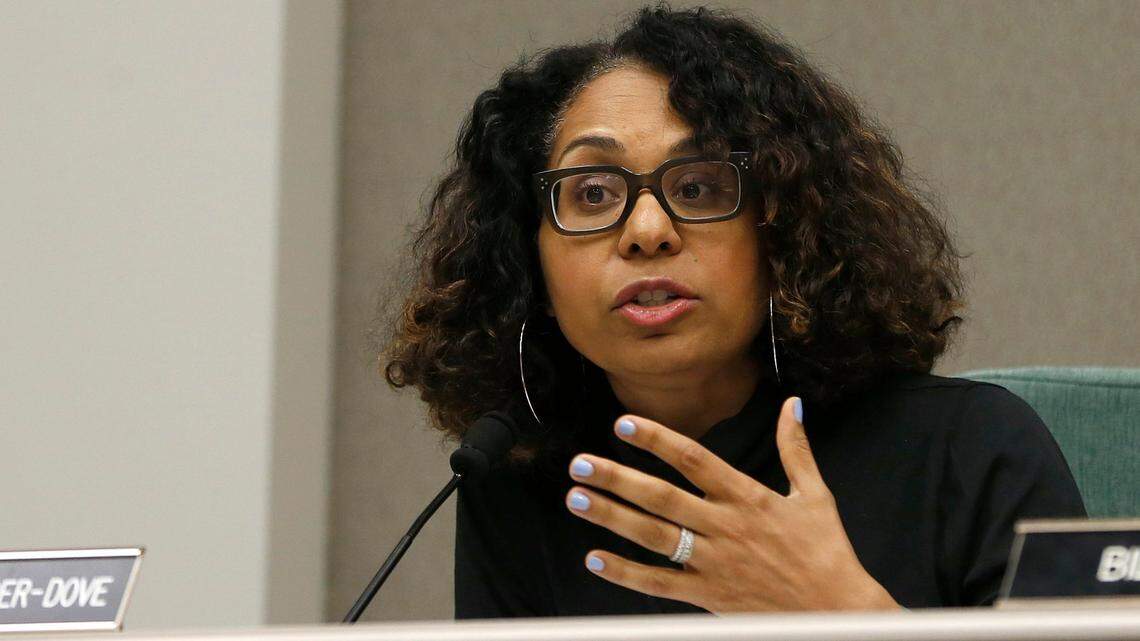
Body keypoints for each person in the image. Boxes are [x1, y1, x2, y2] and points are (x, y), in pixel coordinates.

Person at [378, 3, 1086, 617]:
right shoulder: (519, 484)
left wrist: (845, 612)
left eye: (699, 185)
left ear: (782, 229)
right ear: (529, 261)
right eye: (592, 192)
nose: (647, 229)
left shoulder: (974, 450)